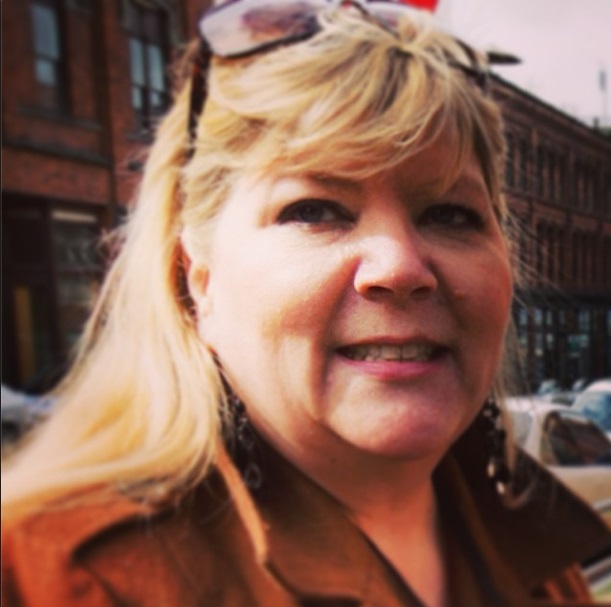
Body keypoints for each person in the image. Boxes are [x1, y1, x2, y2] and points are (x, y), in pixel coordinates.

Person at [2, 1, 610, 606]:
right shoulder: (60, 578)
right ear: (198, 280)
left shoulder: (538, 549)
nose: (399, 266)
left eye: (450, 214)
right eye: (314, 210)